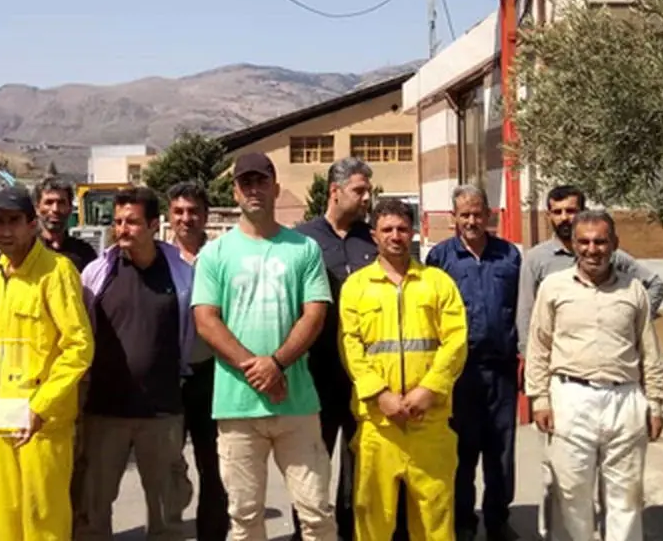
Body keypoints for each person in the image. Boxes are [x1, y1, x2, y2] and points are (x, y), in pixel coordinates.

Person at [191, 152, 337, 541]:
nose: (254, 189)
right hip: (237, 406)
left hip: (297, 403)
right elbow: (206, 320)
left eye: (261, 181)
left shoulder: (303, 249)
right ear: (236, 191)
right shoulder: (215, 254)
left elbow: (315, 315)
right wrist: (255, 369)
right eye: (245, 183)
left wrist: (277, 363)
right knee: (244, 516)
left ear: (275, 187)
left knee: (316, 513)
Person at [517, 184, 663, 538]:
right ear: (575, 245)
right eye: (584, 242)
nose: (591, 250)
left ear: (613, 245)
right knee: (571, 495)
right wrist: (539, 398)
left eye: (600, 242)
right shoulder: (553, 287)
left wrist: (656, 403)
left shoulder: (633, 291)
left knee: (626, 498)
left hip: (625, 400)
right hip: (571, 398)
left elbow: (650, 349)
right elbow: (538, 346)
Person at [293, 157, 409, 541]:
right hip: (315, 373)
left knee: (360, 467)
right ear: (335, 191)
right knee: (312, 466)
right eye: (359, 190)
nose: (366, 198)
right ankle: (308, 533)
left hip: (367, 376)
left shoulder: (371, 239)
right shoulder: (302, 240)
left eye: (368, 191)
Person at [339, 198, 468, 541]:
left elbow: (456, 342)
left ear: (412, 232)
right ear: (374, 235)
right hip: (377, 425)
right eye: (387, 230)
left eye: (401, 228)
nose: (395, 236)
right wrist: (379, 394)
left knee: (435, 519)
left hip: (430, 421)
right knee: (372, 520)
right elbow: (350, 345)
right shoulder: (356, 287)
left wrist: (429, 389)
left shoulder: (438, 283)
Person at [74, 186, 194, 541]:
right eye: (118, 221)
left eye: (132, 222)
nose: (122, 229)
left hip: (162, 412)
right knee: (92, 512)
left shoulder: (182, 276)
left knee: (167, 516)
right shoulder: (98, 274)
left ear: (155, 225)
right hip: (104, 412)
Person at [0, 183, 94, 541]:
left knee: (42, 520)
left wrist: (40, 406)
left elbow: (79, 346)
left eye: (13, 221)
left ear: (32, 224)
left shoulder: (56, 273)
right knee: (0, 520)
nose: (5, 231)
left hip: (40, 425)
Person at [424, 185, 520, 541]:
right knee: (460, 452)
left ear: (489, 214)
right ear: (454, 218)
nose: (472, 221)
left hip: (501, 371)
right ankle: (463, 521)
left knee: (501, 451)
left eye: (477, 214)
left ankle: (497, 521)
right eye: (464, 215)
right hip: (458, 375)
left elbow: (520, 308)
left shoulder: (509, 256)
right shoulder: (440, 258)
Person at [517, 184, 663, 350]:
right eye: (557, 212)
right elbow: (526, 310)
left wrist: (633, 321)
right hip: (560, 355)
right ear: (549, 215)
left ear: (583, 211)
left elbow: (656, 286)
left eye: (571, 210)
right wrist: (527, 351)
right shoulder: (536, 259)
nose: (564, 218)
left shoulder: (609, 255)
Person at [166, 181, 229, 541]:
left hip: (211, 375)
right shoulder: (157, 258)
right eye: (179, 212)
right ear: (169, 216)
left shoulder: (221, 257)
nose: (186, 219)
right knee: (166, 466)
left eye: (193, 212)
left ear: (206, 216)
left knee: (214, 466)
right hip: (168, 379)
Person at [34, 177, 98, 273]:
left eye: (61, 203)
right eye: (49, 202)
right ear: (37, 208)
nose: (55, 209)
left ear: (70, 208)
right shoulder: (26, 251)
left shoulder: (84, 253)